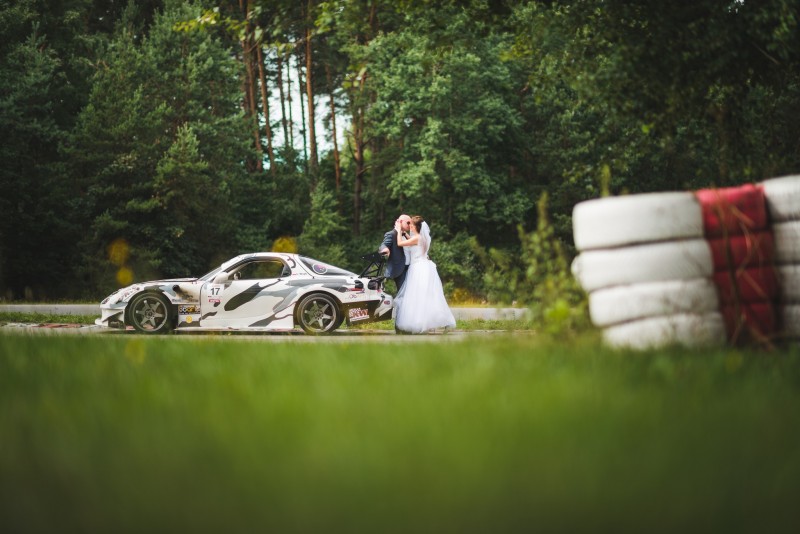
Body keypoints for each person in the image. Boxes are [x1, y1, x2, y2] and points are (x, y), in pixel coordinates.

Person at [393, 215, 456, 334]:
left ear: (416, 227)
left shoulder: (417, 238)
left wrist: (398, 230)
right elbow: (413, 242)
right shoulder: (423, 238)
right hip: (425, 266)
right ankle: (441, 322)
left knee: (418, 296)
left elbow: (400, 243)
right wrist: (405, 234)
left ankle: (421, 323)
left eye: (411, 225)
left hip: (418, 268)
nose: (410, 226)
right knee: (426, 297)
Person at [379, 214, 412, 293]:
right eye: (408, 223)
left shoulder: (407, 235)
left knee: (410, 292)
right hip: (400, 268)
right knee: (403, 293)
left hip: (411, 268)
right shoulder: (391, 234)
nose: (410, 225)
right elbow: (383, 245)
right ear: (400, 222)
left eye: (411, 223)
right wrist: (385, 249)